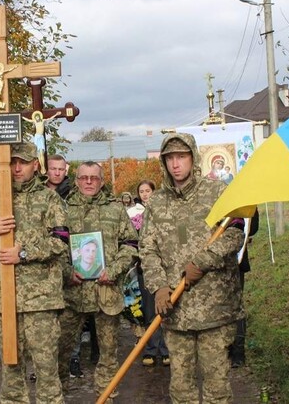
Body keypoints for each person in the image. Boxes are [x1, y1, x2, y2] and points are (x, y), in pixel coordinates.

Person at [140, 133, 244, 403]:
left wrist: (203, 261)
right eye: (170, 158)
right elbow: (147, 249)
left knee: (216, 386)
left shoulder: (217, 192)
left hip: (214, 307)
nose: (176, 164)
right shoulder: (156, 203)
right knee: (181, 387)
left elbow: (235, 234)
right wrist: (159, 287)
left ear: (193, 158)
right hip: (176, 310)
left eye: (181, 157)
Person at [0, 142, 69, 403]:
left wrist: (23, 253)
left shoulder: (49, 199)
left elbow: (61, 241)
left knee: (47, 372)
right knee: (11, 374)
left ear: (35, 165)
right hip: (4, 301)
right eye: (12, 162)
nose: (16, 168)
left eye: (22, 162)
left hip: (41, 302)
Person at [57, 161, 138, 400]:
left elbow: (131, 244)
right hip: (73, 294)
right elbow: (55, 247)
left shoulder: (115, 209)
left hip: (106, 292)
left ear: (102, 181)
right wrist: (66, 271)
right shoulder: (63, 209)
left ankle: (106, 397)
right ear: (77, 180)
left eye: (94, 178)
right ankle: (57, 396)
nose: (89, 182)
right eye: (84, 178)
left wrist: (113, 270)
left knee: (109, 354)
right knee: (59, 352)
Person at [46, 153, 100, 373]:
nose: (57, 173)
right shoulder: (41, 195)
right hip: (52, 270)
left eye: (61, 169)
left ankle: (78, 357)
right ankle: (53, 365)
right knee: (55, 323)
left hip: (83, 269)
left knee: (85, 316)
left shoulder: (71, 196)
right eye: (53, 169)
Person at [134, 180, 169, 367]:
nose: (145, 194)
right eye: (142, 191)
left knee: (164, 308)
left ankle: (165, 350)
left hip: (164, 267)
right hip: (144, 268)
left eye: (148, 191)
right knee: (148, 310)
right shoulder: (134, 214)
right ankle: (149, 349)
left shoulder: (162, 210)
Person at [229, 209, 259, 368]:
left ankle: (238, 352)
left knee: (236, 307)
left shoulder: (240, 201)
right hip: (211, 266)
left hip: (236, 264)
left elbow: (252, 229)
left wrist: (252, 210)